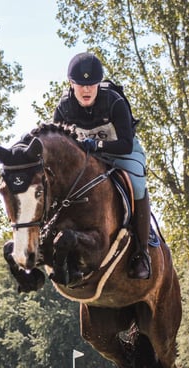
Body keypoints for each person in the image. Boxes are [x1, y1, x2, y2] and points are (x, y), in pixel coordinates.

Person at [53, 52, 151, 280]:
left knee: (137, 184)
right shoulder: (64, 108)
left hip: (122, 153)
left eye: (91, 85)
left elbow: (126, 144)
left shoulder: (114, 102)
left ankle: (141, 252)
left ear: (98, 84)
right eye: (80, 85)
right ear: (71, 84)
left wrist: (96, 144)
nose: (86, 90)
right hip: (87, 160)